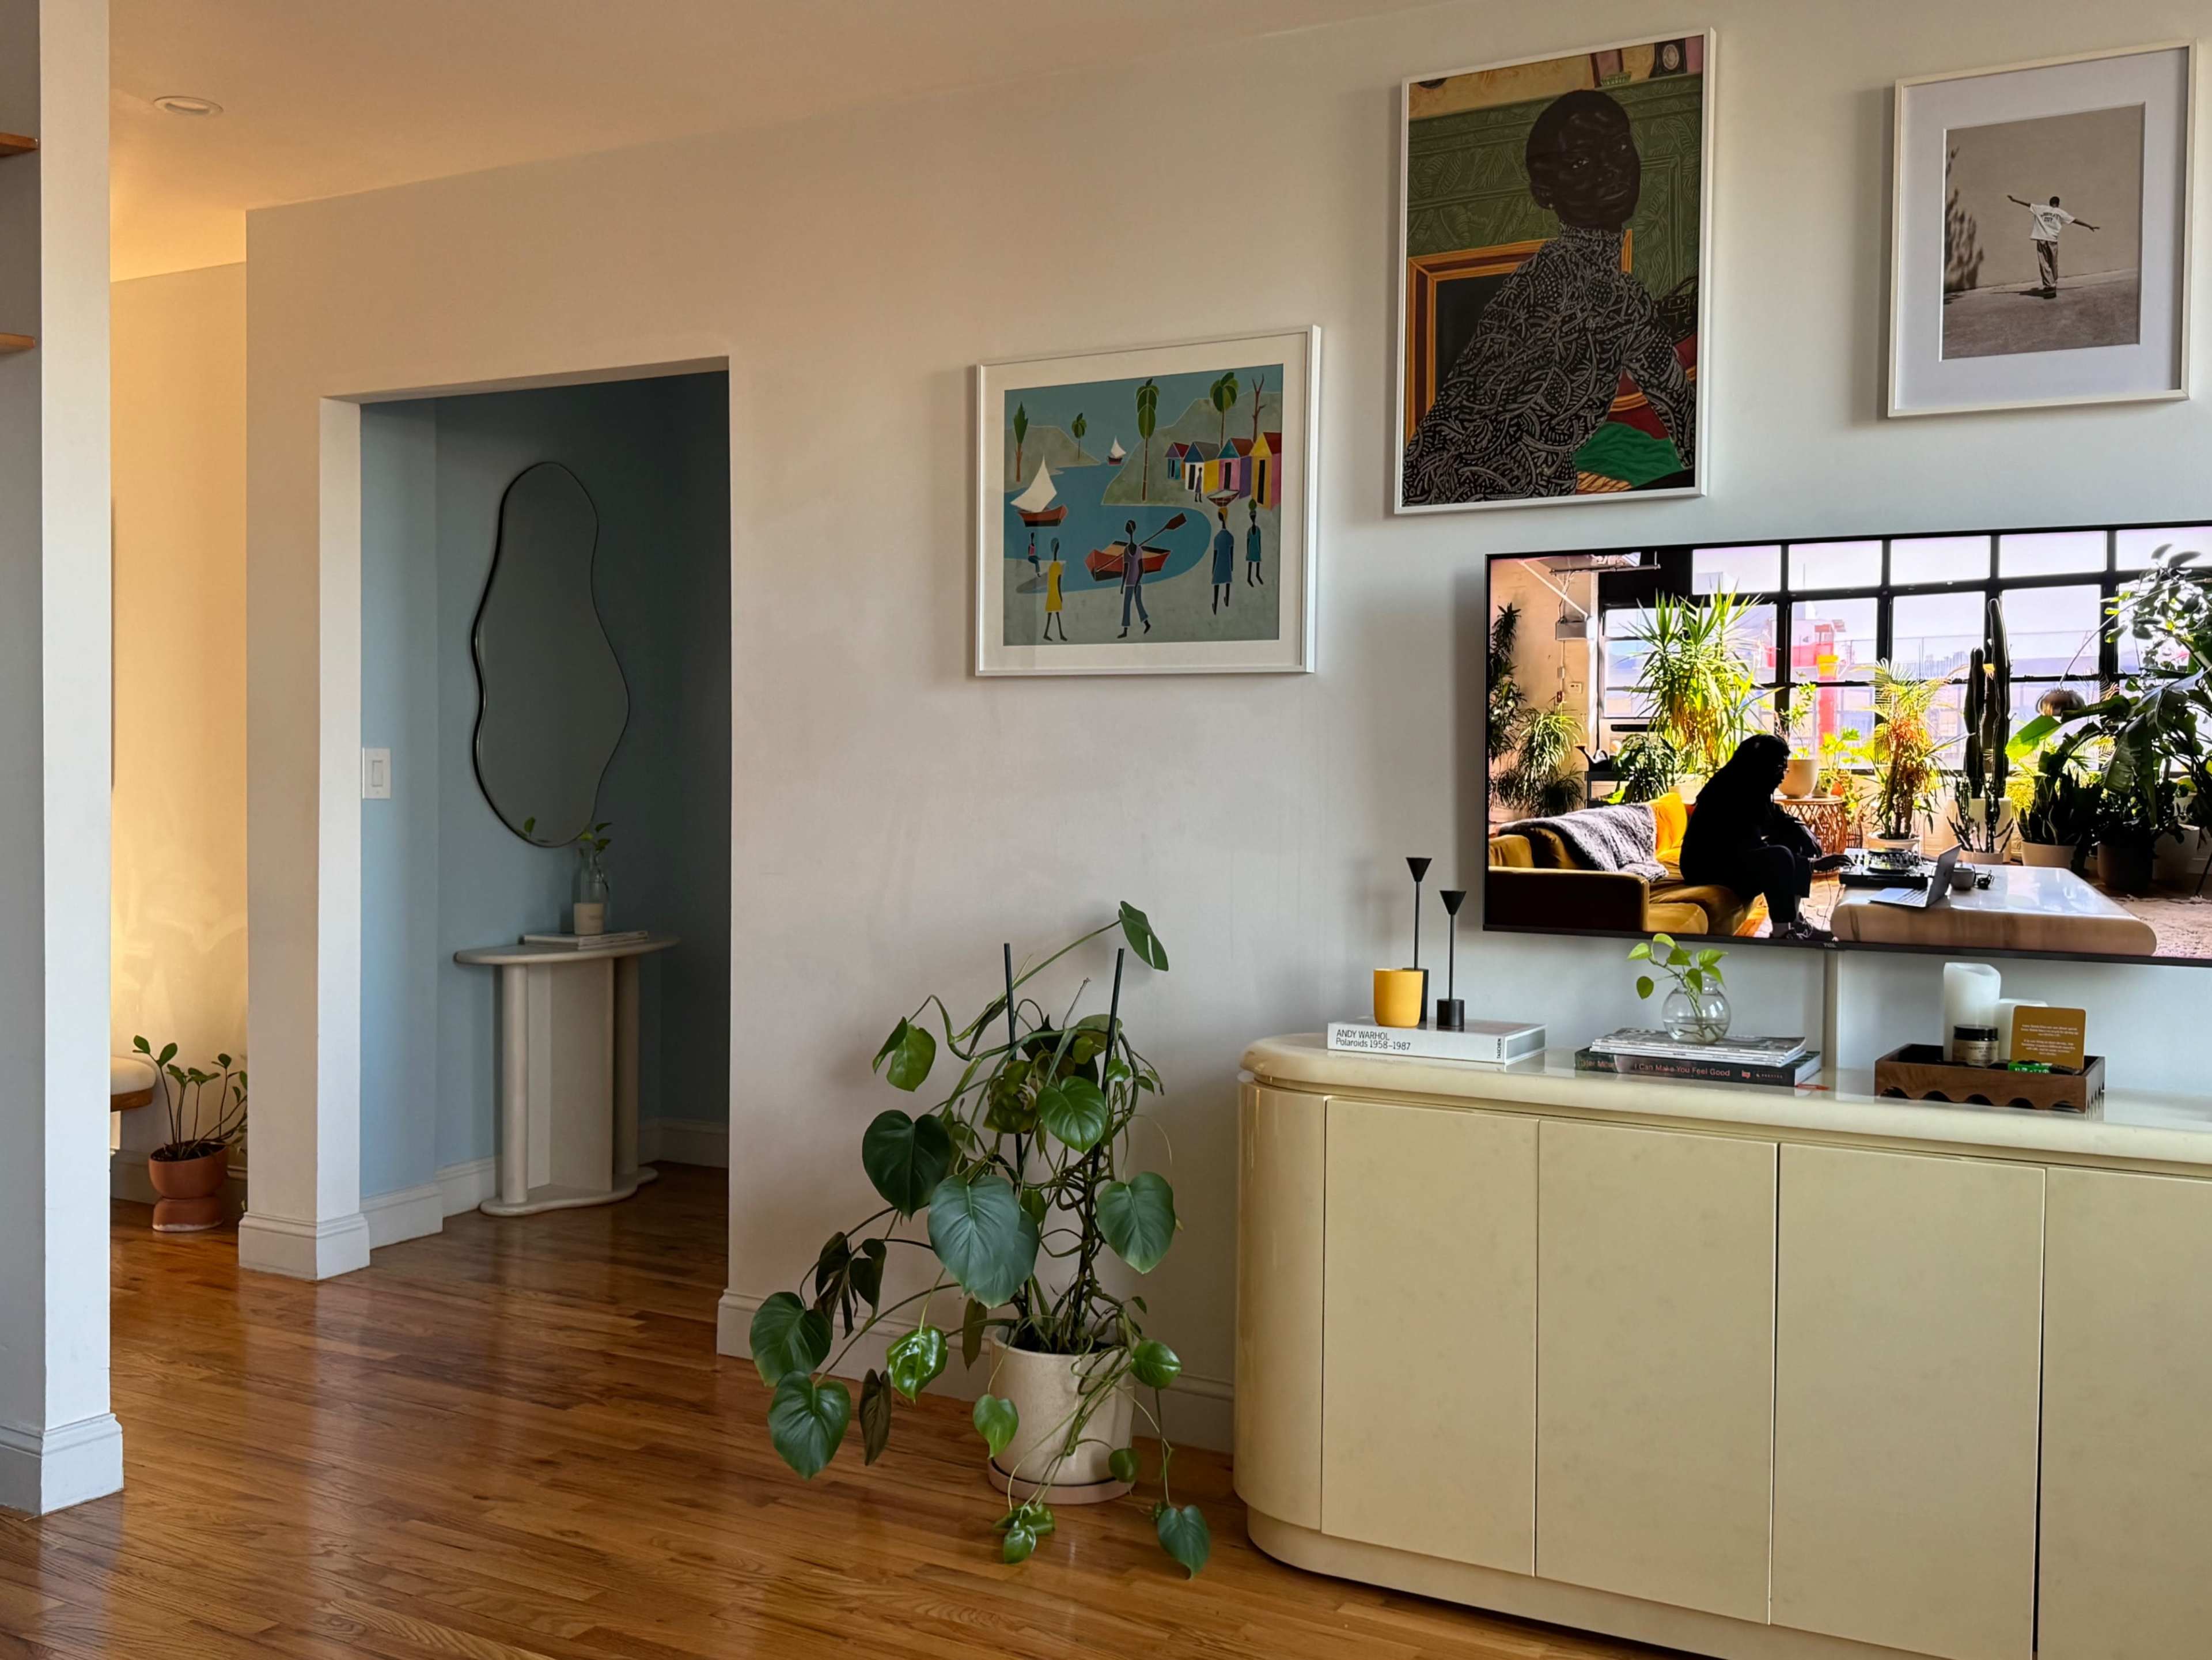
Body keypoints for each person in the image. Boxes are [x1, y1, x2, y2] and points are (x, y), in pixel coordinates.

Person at [1402, 89, 1693, 505]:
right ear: (1544, 192)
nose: (1612, 170)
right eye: (1580, 162)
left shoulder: (1619, 297)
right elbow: (1464, 431)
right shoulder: (1545, 289)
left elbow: (1680, 404)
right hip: (1482, 507)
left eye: (1621, 148)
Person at [1679, 733, 1843, 942]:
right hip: (1705, 867)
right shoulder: (1731, 791)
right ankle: (1783, 934)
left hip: (1728, 858)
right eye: (1778, 769)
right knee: (1779, 857)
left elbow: (1772, 813)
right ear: (1758, 765)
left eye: (1785, 769)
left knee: (1791, 837)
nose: (1782, 777)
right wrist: (1812, 864)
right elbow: (1748, 849)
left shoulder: (1752, 783)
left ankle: (1794, 921)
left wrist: (1799, 827)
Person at [2006, 193, 2099, 297]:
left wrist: (2015, 200)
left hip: (2041, 239)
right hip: (2052, 240)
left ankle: (2050, 283)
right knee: (2053, 262)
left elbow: (2028, 204)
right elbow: (2075, 220)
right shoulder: (2061, 212)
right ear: (2058, 204)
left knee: (2044, 263)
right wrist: (2089, 226)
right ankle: (2050, 284)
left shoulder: (2041, 208)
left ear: (2050, 204)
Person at [1116, 519, 1151, 638]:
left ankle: (1146, 624)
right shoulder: (1127, 550)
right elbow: (1126, 570)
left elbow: (1141, 569)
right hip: (1130, 584)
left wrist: (1136, 584)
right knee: (1128, 605)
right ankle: (1126, 631)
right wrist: (1123, 585)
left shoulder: (1136, 551)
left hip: (1135, 584)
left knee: (1137, 603)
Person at [1210, 505, 1236, 614]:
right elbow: (1232, 554)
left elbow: (1215, 555)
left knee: (1216, 585)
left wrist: (1213, 569)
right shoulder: (1230, 537)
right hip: (1227, 565)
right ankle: (1227, 601)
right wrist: (1232, 567)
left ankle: (1215, 607)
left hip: (1218, 566)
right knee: (1227, 583)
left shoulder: (1217, 538)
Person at [1041, 538, 1067, 642]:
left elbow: (1052, 582)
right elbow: (1058, 583)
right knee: (1055, 614)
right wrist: (1060, 596)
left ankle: (1048, 634)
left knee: (1052, 614)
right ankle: (1059, 634)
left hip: (1051, 592)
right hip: (1055, 593)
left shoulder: (1052, 566)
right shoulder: (1057, 566)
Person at [1245, 499, 1264, 587]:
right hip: (1256, 549)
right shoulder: (1257, 530)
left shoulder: (1250, 531)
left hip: (1252, 549)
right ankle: (1255, 576)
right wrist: (1260, 550)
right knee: (1256, 563)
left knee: (1251, 563)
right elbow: (1259, 541)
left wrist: (1248, 552)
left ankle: (1251, 577)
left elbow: (1248, 542)